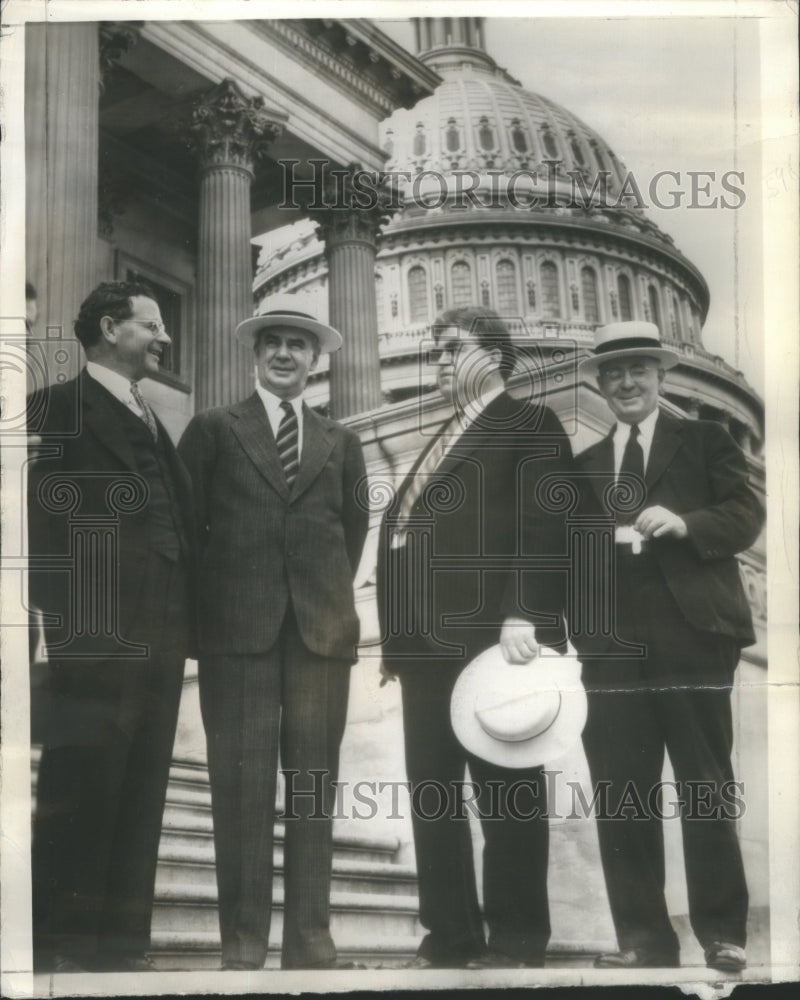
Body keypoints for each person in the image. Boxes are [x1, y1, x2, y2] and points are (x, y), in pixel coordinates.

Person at [376, 307, 574, 969]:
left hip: (492, 643)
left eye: (450, 349)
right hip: (422, 648)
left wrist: (524, 612)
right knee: (433, 794)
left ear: (493, 354)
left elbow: (546, 523)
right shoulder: (443, 434)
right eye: (435, 350)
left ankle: (518, 940)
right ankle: (449, 937)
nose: (436, 361)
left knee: (507, 794)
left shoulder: (530, 423)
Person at [178, 301, 368, 971]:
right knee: (241, 788)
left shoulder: (340, 441)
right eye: (274, 343)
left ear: (316, 361)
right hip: (238, 635)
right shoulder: (212, 429)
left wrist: (321, 601)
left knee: (313, 787)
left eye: (298, 345)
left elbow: (352, 532)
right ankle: (243, 942)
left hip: (319, 635)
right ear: (256, 354)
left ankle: (311, 941)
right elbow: (188, 531)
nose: (285, 354)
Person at [574, 321, 763, 973]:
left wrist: (687, 523)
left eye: (639, 370)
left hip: (694, 637)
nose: (626, 383)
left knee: (705, 787)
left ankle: (722, 935)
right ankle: (643, 941)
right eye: (614, 373)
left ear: (661, 375)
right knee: (622, 794)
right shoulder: (585, 467)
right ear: (600, 384)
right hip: (613, 650)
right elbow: (567, 556)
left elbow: (745, 514)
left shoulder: (705, 440)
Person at [28, 280, 194, 972]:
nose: (165, 338)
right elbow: (32, 519)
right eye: (151, 326)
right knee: (81, 782)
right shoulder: (52, 406)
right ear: (108, 328)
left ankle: (122, 946)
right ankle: (61, 941)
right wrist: (65, 613)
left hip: (161, 633)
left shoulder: (156, 420)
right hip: (93, 634)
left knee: (144, 782)